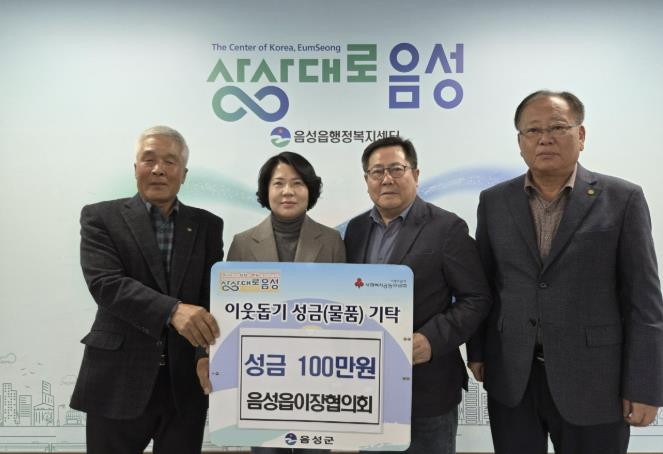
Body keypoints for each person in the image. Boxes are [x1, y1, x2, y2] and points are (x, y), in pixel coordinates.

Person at [467, 90, 663, 454]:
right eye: (533, 130)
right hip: (513, 377)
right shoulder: (494, 201)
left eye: (558, 127)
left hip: (596, 381)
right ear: (520, 142)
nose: (545, 138)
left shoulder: (622, 199)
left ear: (581, 135)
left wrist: (644, 385)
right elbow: (485, 285)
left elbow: (644, 300)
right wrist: (477, 351)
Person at [70, 126, 224, 454]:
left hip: (184, 382)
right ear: (136, 168)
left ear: (184, 174)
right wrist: (172, 310)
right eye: (149, 159)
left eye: (170, 161)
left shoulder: (208, 225)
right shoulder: (101, 217)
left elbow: (210, 296)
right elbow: (106, 284)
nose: (158, 169)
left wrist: (204, 353)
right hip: (117, 378)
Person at [344, 136, 492, 454]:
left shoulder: (446, 228)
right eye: (377, 172)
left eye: (396, 169)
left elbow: (476, 298)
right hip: (368, 389)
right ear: (367, 180)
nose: (386, 179)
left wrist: (431, 340)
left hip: (427, 387)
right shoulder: (355, 230)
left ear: (415, 173)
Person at [198, 151, 344, 454]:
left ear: (310, 190)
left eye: (297, 183)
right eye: (278, 183)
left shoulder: (332, 241)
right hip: (261, 374)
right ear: (266, 191)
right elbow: (229, 311)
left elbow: (342, 308)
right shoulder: (242, 242)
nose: (288, 191)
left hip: (316, 374)